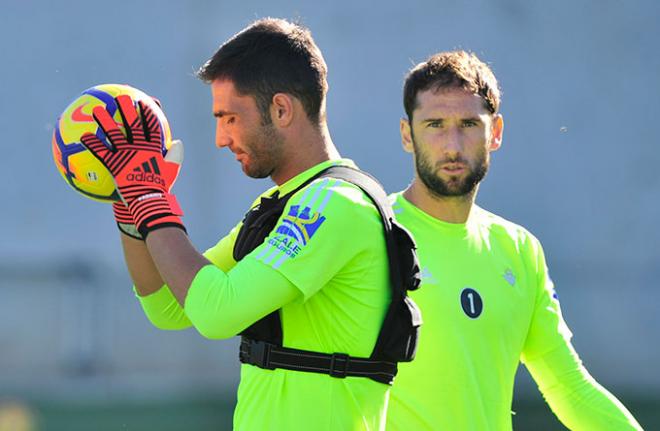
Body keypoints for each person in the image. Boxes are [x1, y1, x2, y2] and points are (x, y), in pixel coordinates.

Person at [79, 18, 398, 430]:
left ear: (281, 109)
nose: (220, 138)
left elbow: (217, 313)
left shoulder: (335, 205)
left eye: (229, 117)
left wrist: (151, 200)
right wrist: (129, 208)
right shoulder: (281, 204)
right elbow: (170, 307)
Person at [386, 50, 643, 430]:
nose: (452, 145)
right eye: (435, 124)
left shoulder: (520, 250)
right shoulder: (374, 232)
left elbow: (569, 388)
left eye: (469, 124)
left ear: (496, 133)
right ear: (408, 135)